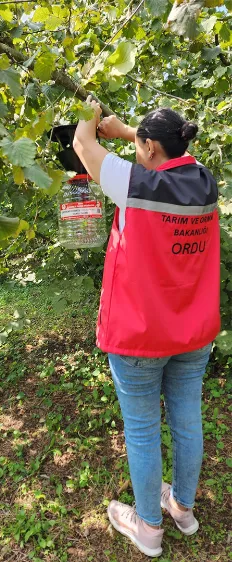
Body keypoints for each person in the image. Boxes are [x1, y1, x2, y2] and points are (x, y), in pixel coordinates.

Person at [74, 99, 218, 557]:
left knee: (141, 429)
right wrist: (127, 132)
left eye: (140, 143)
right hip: (193, 332)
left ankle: (149, 528)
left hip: (140, 334)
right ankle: (183, 509)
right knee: (187, 420)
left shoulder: (135, 183)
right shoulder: (204, 181)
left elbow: (82, 143)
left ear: (150, 147)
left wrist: (90, 113)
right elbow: (167, 152)